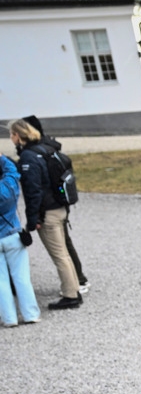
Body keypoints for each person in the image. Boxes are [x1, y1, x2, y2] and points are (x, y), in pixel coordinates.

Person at [9, 119, 81, 310]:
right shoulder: (47, 149)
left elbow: (34, 191)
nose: (10, 138)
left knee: (59, 255)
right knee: (63, 253)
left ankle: (70, 295)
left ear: (18, 135)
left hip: (47, 212)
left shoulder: (29, 157)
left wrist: (34, 220)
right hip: (59, 207)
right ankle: (74, 289)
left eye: (12, 134)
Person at [0, 154, 38, 327]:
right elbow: (13, 171)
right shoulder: (9, 185)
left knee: (1, 282)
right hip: (13, 235)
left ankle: (9, 318)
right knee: (22, 277)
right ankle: (31, 313)